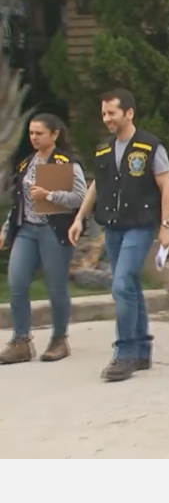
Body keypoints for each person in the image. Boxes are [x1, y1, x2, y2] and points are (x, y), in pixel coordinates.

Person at [68, 88, 169, 382]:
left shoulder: (150, 146)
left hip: (140, 225)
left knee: (122, 283)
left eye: (112, 113)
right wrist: (79, 218)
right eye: (104, 113)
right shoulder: (104, 149)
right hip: (113, 227)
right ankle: (141, 349)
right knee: (130, 286)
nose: (107, 119)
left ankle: (124, 353)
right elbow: (96, 186)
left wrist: (165, 225)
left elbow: (166, 186)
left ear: (129, 113)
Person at [0, 114, 87, 364]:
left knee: (56, 287)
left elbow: (81, 198)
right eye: (31, 133)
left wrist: (50, 195)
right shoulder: (26, 163)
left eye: (39, 133)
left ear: (54, 134)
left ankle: (59, 339)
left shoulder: (65, 162)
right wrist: (6, 229)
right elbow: (18, 202)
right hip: (26, 229)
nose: (34, 138)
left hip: (53, 230)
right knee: (17, 283)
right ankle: (21, 340)